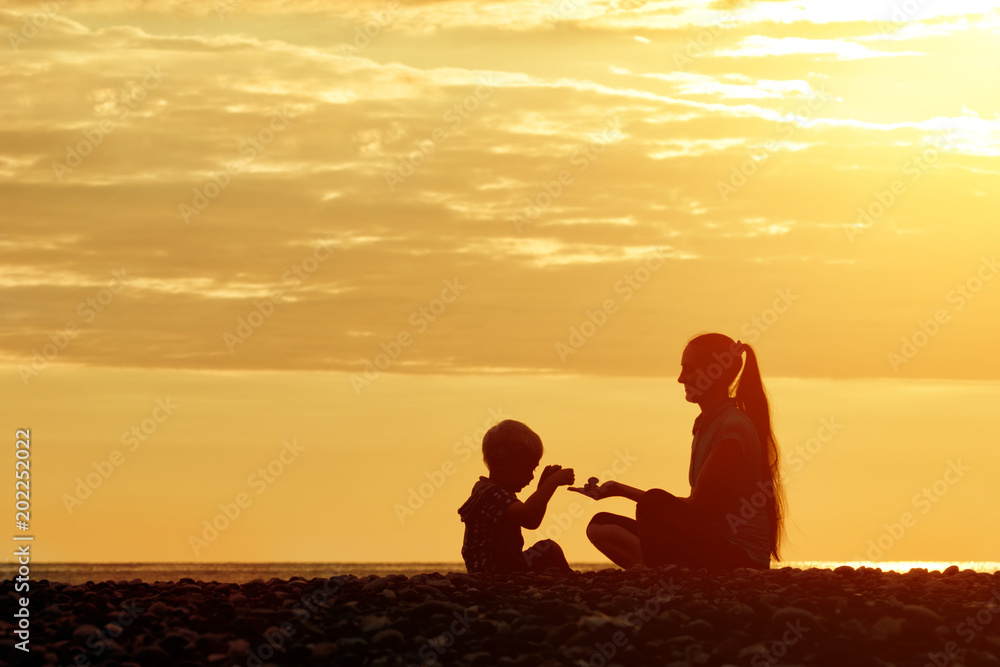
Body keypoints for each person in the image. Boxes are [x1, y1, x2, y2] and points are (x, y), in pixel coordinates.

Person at [571, 333, 786, 570]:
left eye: (689, 369)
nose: (680, 378)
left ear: (715, 373)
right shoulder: (707, 424)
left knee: (652, 503)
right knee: (600, 526)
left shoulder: (732, 427)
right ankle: (664, 570)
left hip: (738, 558)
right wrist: (617, 489)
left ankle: (661, 573)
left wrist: (625, 491)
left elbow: (697, 508)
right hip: (706, 544)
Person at [458, 419, 576, 574]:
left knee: (547, 557)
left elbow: (532, 519)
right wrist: (551, 483)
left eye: (533, 470)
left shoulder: (487, 489)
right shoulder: (493, 494)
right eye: (525, 469)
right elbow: (529, 517)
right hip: (495, 570)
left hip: (497, 567)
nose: (530, 476)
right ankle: (571, 580)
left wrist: (542, 488)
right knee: (549, 549)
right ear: (500, 464)